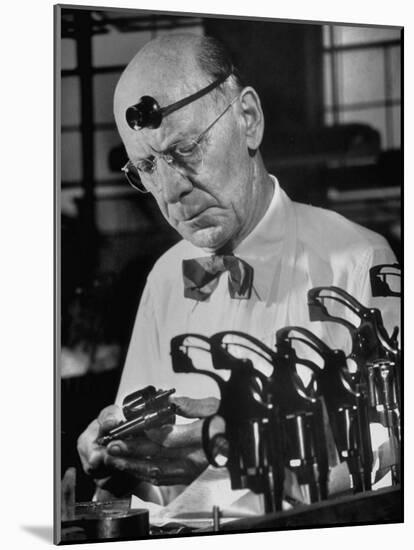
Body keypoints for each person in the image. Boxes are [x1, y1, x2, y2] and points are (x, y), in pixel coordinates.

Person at [77, 34, 400, 509]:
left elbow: (395, 458)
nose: (170, 193)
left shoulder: (359, 262)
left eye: (184, 150)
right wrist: (121, 466)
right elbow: (155, 490)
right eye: (146, 167)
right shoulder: (168, 277)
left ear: (248, 120)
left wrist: (251, 445)